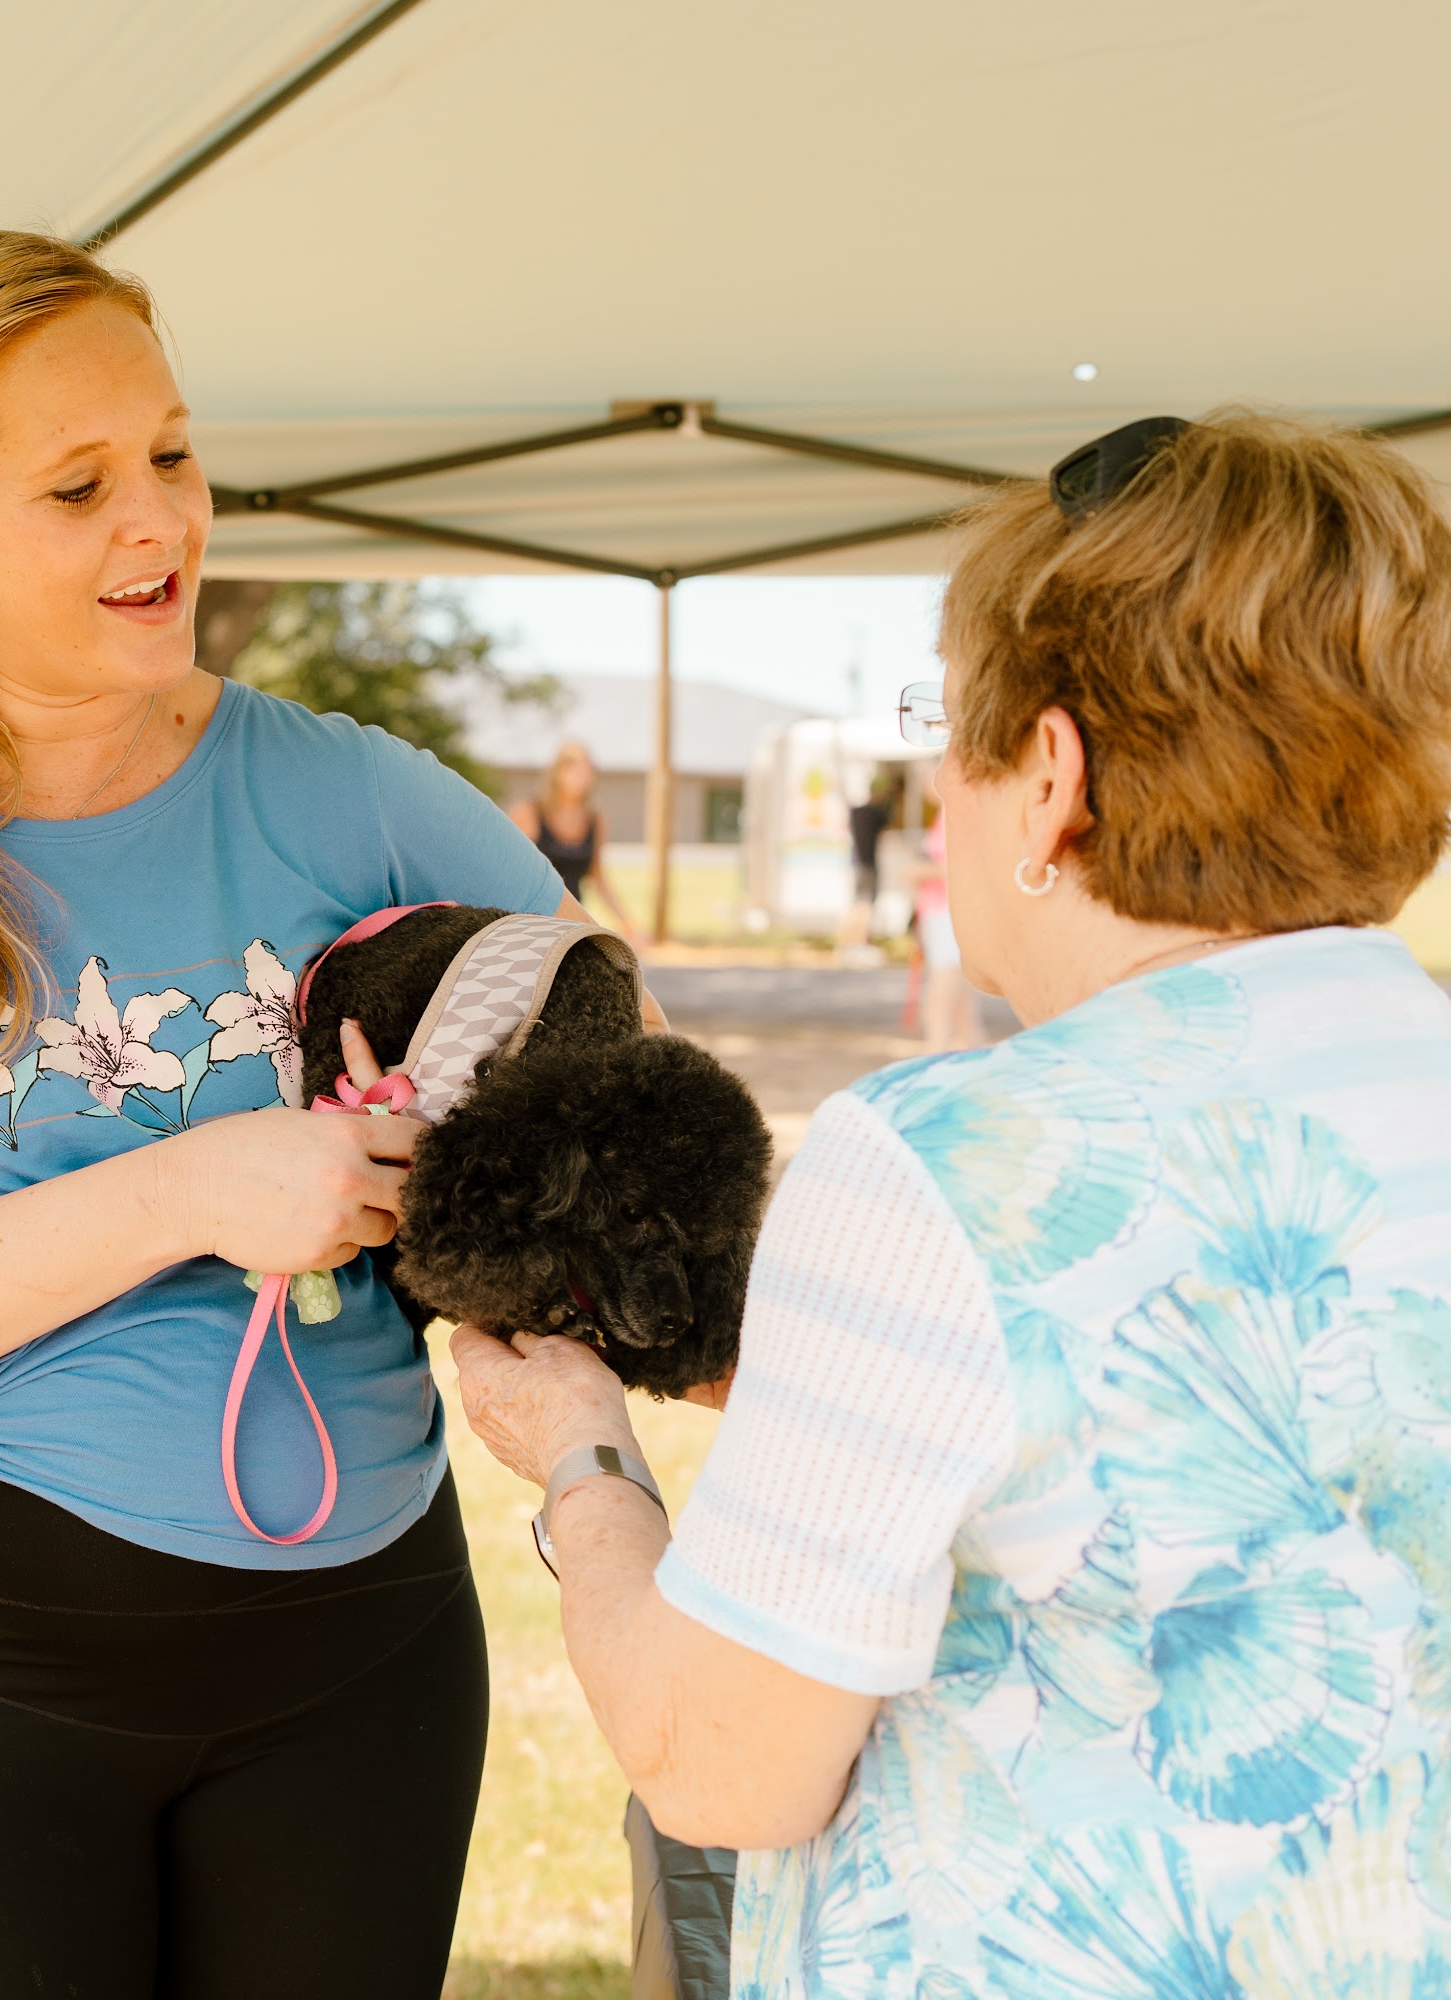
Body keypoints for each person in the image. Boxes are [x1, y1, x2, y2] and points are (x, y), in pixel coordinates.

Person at [0, 231, 649, 2000]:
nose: (157, 521)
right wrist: (191, 1187)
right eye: (79, 485)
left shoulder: (366, 798)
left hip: (358, 1671)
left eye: (172, 456)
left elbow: (635, 1155)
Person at [448, 412, 1451, 1995]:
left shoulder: (948, 1157)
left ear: (1051, 778)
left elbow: (721, 1765)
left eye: (955, 737)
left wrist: (578, 1455)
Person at [511, 738, 635, 937]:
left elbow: (598, 877)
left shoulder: (595, 819)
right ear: (558, 772)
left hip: (572, 923)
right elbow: (515, 872)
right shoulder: (530, 813)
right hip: (533, 921)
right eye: (575, 769)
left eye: (588, 770)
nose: (583, 776)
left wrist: (627, 923)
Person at [911, 791, 983, 1051]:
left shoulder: (957, 816)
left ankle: (934, 1056)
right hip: (941, 915)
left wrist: (920, 871)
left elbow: (961, 866)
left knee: (939, 1004)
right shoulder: (945, 817)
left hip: (948, 915)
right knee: (963, 1009)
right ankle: (973, 1060)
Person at [836, 766, 895, 956]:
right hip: (869, 863)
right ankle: (859, 944)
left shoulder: (856, 812)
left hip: (855, 862)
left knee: (856, 903)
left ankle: (845, 942)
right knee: (866, 905)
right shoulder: (879, 813)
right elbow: (888, 834)